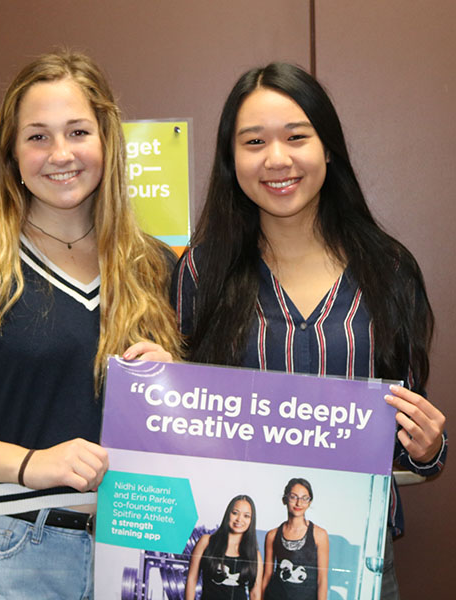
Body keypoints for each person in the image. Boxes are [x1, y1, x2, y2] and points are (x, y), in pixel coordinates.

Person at [0, 50, 182, 599]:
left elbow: (196, 434)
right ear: (10, 154)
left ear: (108, 142)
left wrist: (176, 386)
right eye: (37, 136)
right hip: (4, 555)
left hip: (137, 555)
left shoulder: (154, 266)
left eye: (78, 132)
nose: (60, 154)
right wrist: (32, 465)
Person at [171, 62, 447, 599]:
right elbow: (180, 432)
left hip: (354, 560)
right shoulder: (201, 273)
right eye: (254, 141)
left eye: (297, 136)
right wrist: (157, 382)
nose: (277, 159)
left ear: (328, 148)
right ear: (232, 159)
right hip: (243, 565)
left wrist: (427, 446)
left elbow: (407, 428)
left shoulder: (389, 270)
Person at [185, 495, 263, 600]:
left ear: (251, 520)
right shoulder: (206, 542)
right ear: (228, 514)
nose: (239, 519)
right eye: (235, 513)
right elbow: (191, 579)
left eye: (246, 516)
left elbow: (255, 593)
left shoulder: (254, 554)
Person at [262, 478, 328, 600]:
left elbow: (322, 580)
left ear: (309, 502)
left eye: (304, 498)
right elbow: (267, 575)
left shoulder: (320, 535)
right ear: (285, 499)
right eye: (293, 497)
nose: (299, 503)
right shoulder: (272, 535)